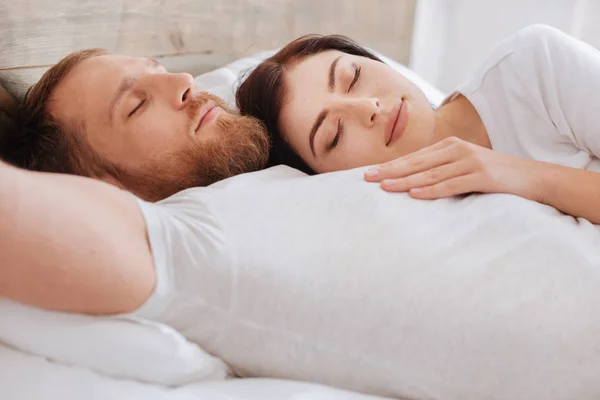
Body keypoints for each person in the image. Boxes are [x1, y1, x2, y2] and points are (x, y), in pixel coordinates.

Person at [236, 24, 600, 224]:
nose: (369, 107)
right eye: (335, 134)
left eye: (354, 76)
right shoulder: (406, 230)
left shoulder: (533, 66)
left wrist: (523, 176)